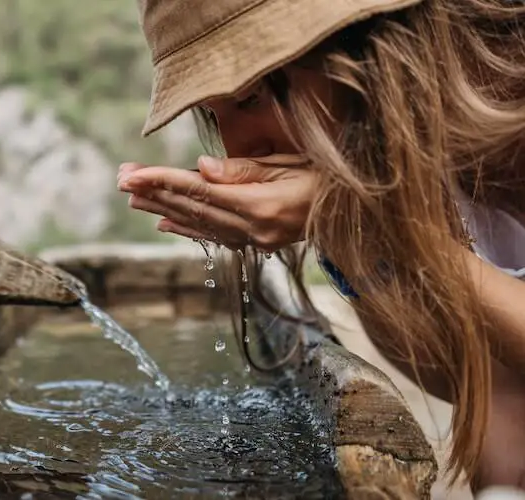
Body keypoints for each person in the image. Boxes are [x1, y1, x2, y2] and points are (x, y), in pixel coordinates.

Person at [117, 0, 525, 495]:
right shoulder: (427, 143)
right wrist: (344, 231)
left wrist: (368, 222)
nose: (238, 148)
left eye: (251, 98)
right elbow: (462, 375)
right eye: (210, 113)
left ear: (363, 40)